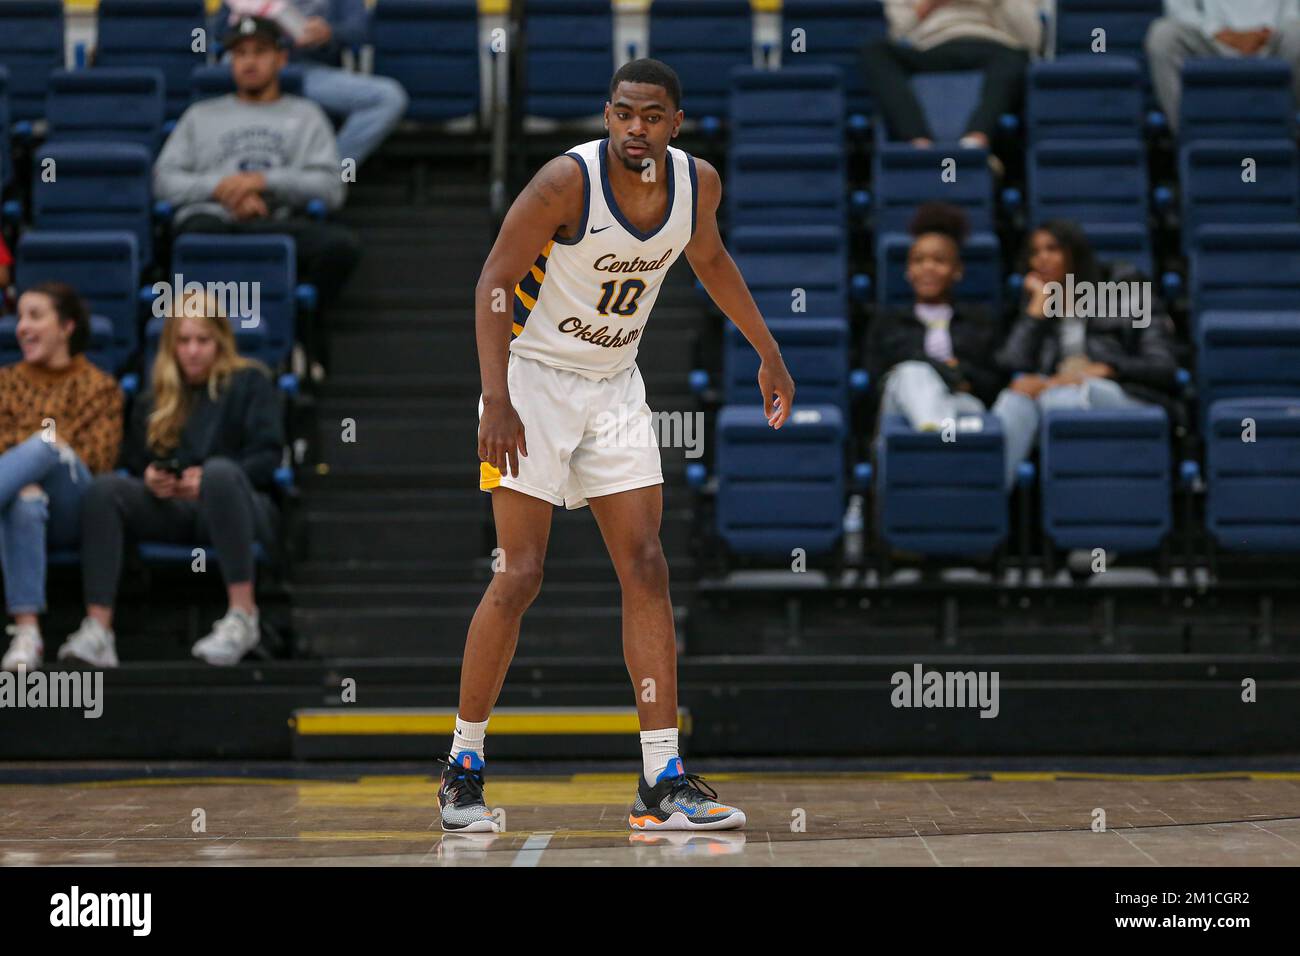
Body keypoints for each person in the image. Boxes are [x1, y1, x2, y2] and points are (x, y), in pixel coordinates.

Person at [442, 58, 795, 833]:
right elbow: (493, 284)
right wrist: (495, 398)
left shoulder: (698, 185)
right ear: (608, 117)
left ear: (677, 122)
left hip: (613, 384)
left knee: (646, 564)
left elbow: (711, 260)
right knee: (521, 573)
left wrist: (767, 351)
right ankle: (463, 768)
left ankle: (661, 780)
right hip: (530, 379)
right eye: (625, 114)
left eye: (653, 116)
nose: (638, 128)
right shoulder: (564, 184)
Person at [56, 293, 285, 669]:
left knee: (220, 473)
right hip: (175, 509)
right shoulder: (155, 398)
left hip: (237, 508)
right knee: (105, 490)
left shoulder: (251, 382)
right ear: (170, 346)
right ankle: (98, 630)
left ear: (221, 342)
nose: (192, 351)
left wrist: (208, 483)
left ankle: (243, 616)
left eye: (202, 341)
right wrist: (149, 476)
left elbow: (268, 456)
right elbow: (134, 458)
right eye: (183, 341)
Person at [153, 15, 360, 318]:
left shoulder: (307, 115)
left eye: (260, 51)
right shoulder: (200, 115)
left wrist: (264, 182)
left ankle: (295, 326)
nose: (249, 62)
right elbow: (163, 182)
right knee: (194, 234)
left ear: (281, 58)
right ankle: (205, 329)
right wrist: (223, 189)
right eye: (240, 54)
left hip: (276, 222)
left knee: (342, 246)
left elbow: (332, 187)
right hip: (212, 222)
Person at [0, 284, 123, 672]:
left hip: (75, 508)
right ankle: (27, 633)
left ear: (67, 327)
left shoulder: (100, 388)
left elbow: (97, 457)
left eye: (35, 316)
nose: (22, 327)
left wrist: (41, 447)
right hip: (15, 503)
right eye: (19, 317)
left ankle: (38, 455)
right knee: (26, 498)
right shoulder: (5, 382)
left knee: (44, 446)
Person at [995, 221, 1180, 476]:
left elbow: (1164, 368)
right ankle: (986, 502)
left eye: (1052, 249)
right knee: (1012, 402)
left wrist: (1109, 369)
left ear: (1074, 253)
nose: (1041, 259)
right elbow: (1011, 365)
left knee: (1057, 400)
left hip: (1125, 394)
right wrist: (1036, 311)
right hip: (1057, 393)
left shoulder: (1127, 292)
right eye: (1034, 253)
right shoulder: (1041, 302)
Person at [866, 203, 1025, 490]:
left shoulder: (980, 322)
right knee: (913, 373)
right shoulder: (889, 321)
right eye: (918, 260)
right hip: (902, 410)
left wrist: (959, 378)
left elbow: (994, 379)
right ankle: (939, 448)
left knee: (967, 407)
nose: (927, 267)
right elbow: (877, 374)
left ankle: (942, 470)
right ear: (908, 271)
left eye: (939, 261)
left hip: (962, 405)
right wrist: (950, 373)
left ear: (957, 270)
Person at [216, 0, 408, 167]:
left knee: (388, 98)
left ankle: (325, 175)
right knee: (228, 67)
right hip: (254, 65)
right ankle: (227, 178)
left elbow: (360, 32)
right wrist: (245, 26)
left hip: (309, 71)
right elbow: (217, 32)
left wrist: (330, 33)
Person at [863, 0, 1042, 148]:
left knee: (1018, 58)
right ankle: (919, 142)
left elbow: (1033, 39)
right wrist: (931, 4)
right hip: (930, 46)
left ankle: (976, 138)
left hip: (992, 43)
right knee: (875, 52)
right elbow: (898, 32)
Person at [1146, 0, 1300, 132]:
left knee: (1297, 34)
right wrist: (1219, 33)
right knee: (1162, 36)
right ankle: (1189, 134)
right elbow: (1179, 9)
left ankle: (1289, 131)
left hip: (1271, 42)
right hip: (1213, 42)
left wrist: (1264, 34)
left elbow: (1292, 12)